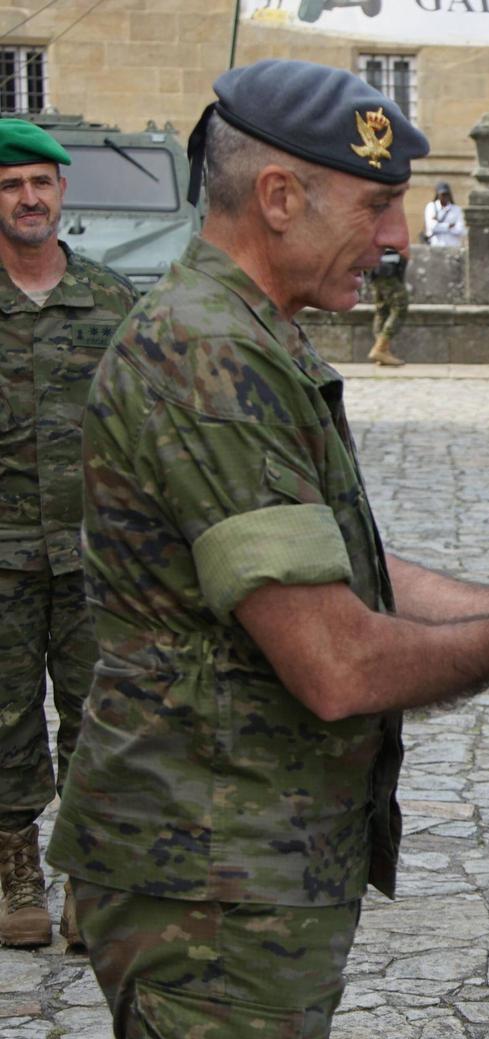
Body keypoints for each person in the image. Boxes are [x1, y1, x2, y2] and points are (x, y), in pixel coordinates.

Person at [45, 60, 489, 1039]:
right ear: (280, 198)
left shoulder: (250, 336)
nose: (394, 237)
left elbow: (359, 574)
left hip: (249, 858)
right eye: (377, 205)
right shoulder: (208, 359)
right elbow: (335, 661)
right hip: (208, 875)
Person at [0, 119, 139, 951]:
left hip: (94, 560)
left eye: (40, 183)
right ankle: (17, 871)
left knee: (99, 716)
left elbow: (144, 425)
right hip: (2, 563)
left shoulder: (114, 301)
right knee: (4, 718)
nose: (28, 198)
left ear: (62, 191)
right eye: (11, 185)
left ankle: (89, 876)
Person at [367, 242, 408, 366]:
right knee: (400, 307)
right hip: (388, 266)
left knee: (382, 310)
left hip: (374, 265)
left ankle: (382, 351)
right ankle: (380, 348)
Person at [423, 179, 465, 246]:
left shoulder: (457, 209)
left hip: (453, 246)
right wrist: (449, 226)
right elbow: (432, 226)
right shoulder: (431, 207)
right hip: (435, 245)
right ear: (438, 194)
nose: (445, 197)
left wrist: (440, 226)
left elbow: (460, 230)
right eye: (443, 194)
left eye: (447, 194)